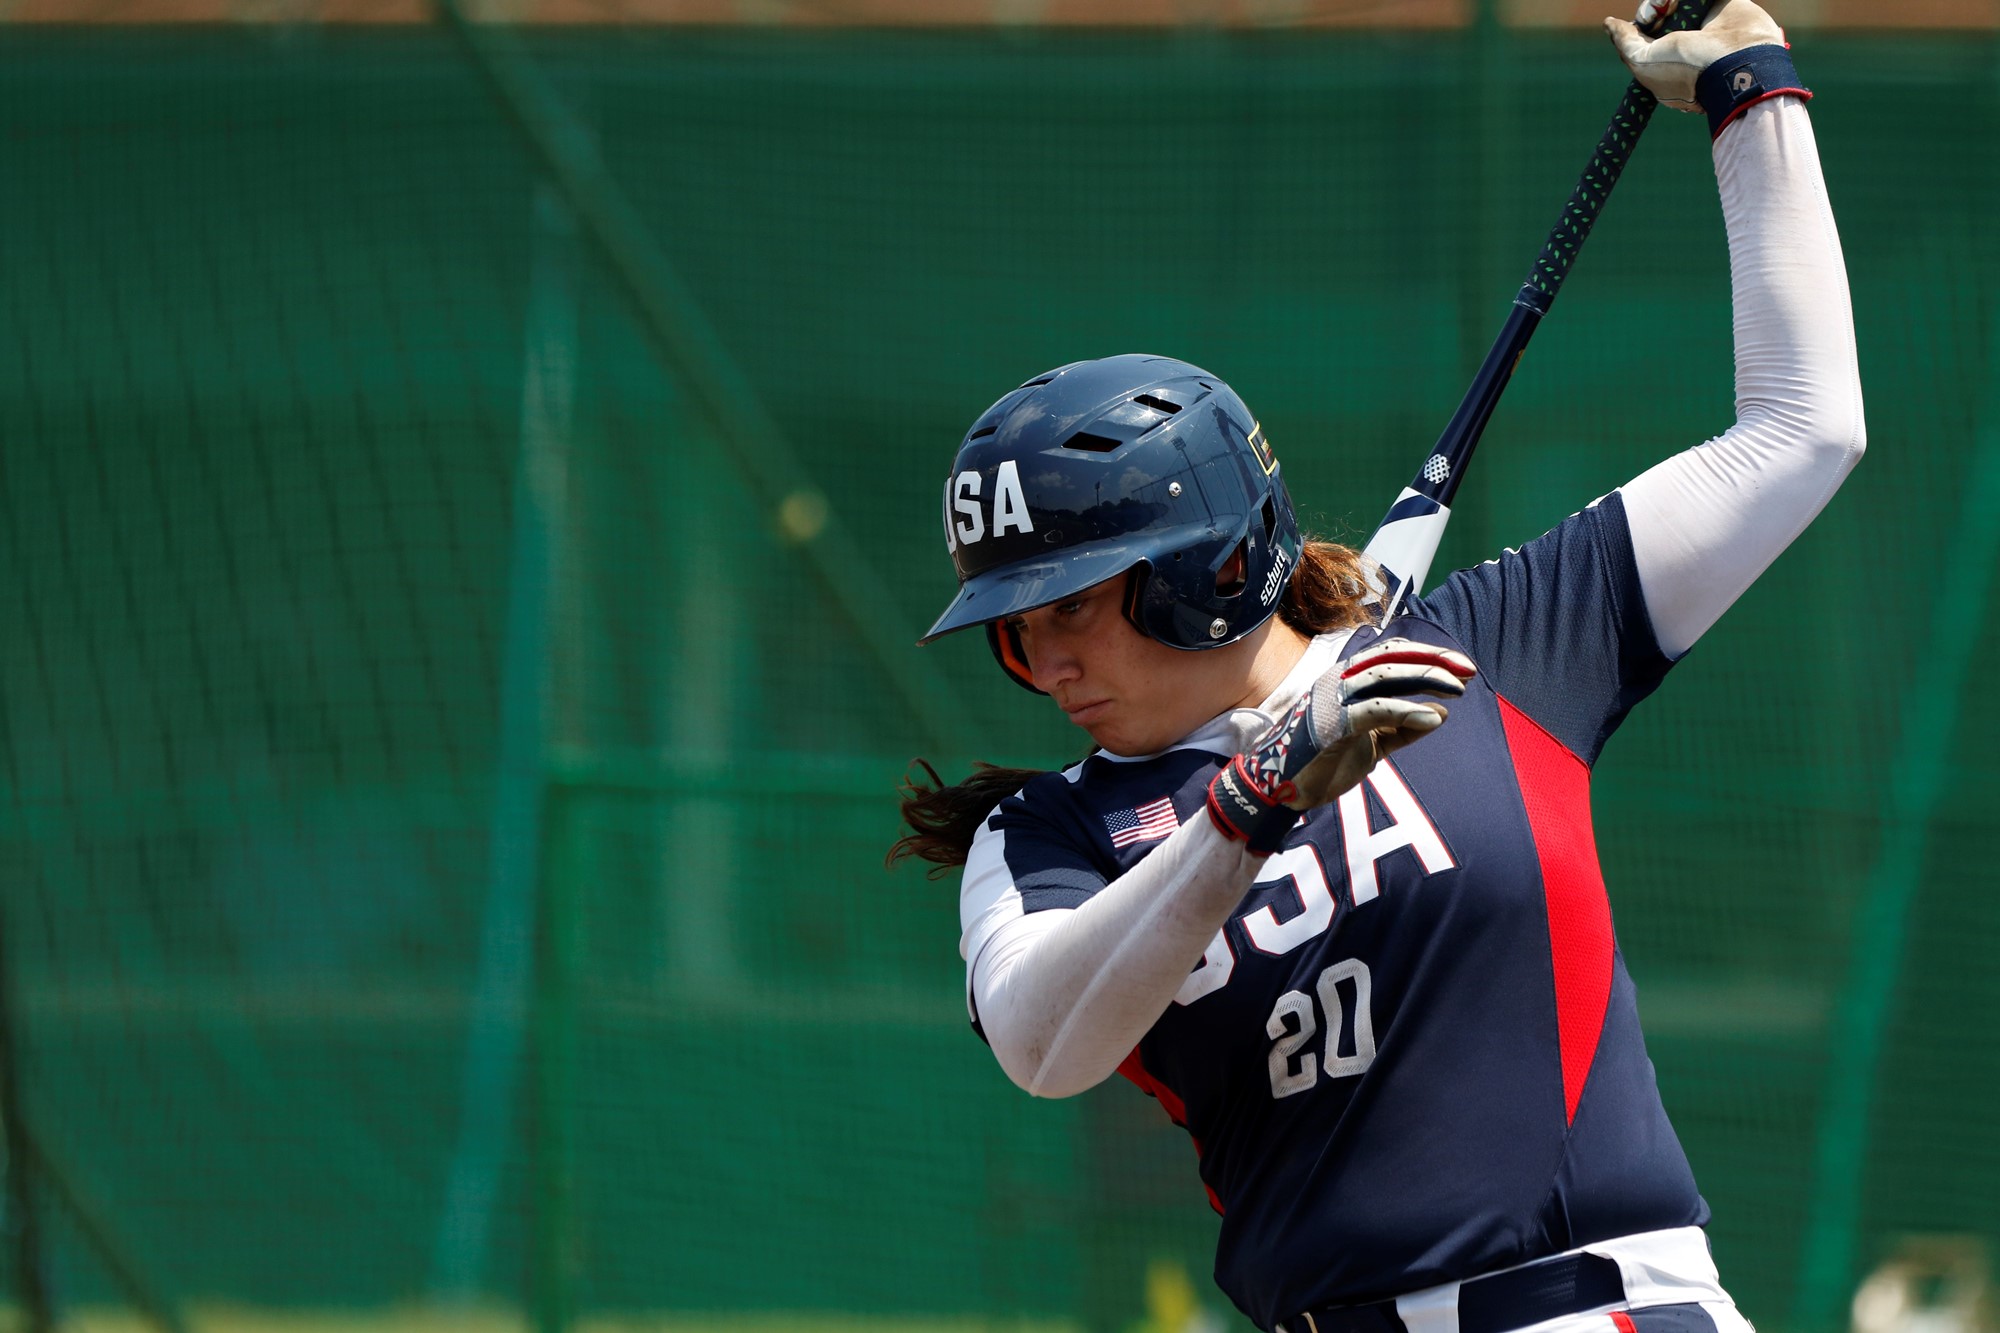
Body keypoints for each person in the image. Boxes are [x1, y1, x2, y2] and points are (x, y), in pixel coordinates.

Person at [890, 3, 1864, 1331]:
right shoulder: (1048, 833)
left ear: (1209, 568)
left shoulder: (1493, 649)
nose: (1044, 657)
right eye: (1014, 625)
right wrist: (1252, 800)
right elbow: (1045, 1044)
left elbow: (1803, 433)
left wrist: (1754, 95)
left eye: (1075, 605)